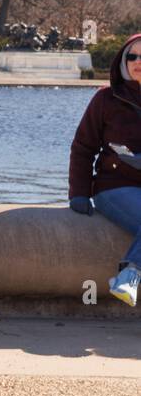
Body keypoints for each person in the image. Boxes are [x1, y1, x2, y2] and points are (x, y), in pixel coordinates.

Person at [67, 32, 141, 306]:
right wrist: (79, 193)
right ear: (123, 61)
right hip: (115, 187)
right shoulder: (106, 99)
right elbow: (83, 148)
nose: (138, 62)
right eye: (132, 56)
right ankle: (128, 277)